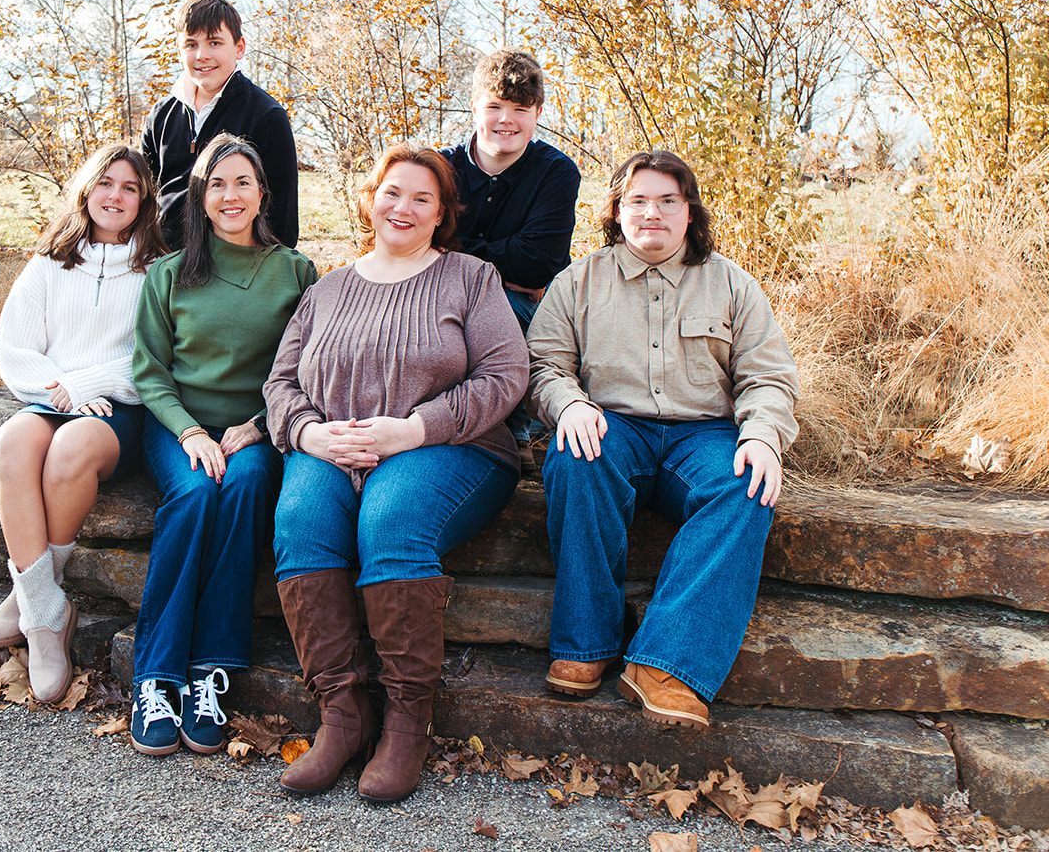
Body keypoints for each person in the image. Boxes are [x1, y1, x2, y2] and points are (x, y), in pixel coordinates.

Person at [265, 144, 529, 803]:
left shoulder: (471, 278)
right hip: (333, 447)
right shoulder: (328, 288)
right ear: (370, 198)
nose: (402, 207)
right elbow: (280, 382)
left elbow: (506, 377)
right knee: (300, 519)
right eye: (392, 192)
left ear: (442, 213)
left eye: (421, 197)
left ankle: (407, 720)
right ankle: (343, 714)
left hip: (451, 448)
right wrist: (309, 432)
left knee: (392, 517)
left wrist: (411, 430)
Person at [528, 149, 798, 730]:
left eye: (667, 201)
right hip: (612, 427)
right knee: (576, 459)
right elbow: (543, 365)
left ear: (690, 213)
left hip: (702, 436)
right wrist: (569, 404)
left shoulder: (732, 285)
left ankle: (665, 665)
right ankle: (586, 644)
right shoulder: (577, 282)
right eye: (638, 201)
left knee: (746, 485)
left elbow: (768, 377)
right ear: (617, 211)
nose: (652, 213)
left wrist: (762, 436)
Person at [129, 134, 318, 756]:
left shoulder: (295, 272)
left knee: (241, 486)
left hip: (256, 430)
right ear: (201, 197)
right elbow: (151, 373)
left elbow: (309, 369)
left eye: (243, 182)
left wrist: (260, 424)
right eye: (217, 184)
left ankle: (210, 672)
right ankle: (156, 676)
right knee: (191, 494)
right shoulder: (169, 273)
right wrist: (187, 431)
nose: (231, 195)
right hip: (178, 426)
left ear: (263, 193)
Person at [0, 143, 166, 705]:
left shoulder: (157, 270)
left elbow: (157, 359)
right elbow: (16, 350)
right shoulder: (48, 265)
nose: (116, 196)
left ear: (144, 201)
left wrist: (89, 386)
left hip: (122, 409)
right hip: (52, 398)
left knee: (72, 447)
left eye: (130, 188)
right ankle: (44, 608)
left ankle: (29, 600)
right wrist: (62, 392)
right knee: (14, 439)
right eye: (106, 183)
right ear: (87, 190)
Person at [439, 50, 580, 473]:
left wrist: (459, 250)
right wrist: (498, 263)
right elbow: (421, 246)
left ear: (537, 112)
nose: (506, 120)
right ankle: (442, 421)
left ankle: (511, 432)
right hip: (442, 292)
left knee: (507, 307)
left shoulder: (556, 172)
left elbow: (536, 264)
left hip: (526, 302)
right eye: (495, 107)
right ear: (474, 106)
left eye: (519, 109)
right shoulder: (441, 167)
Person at [141, 0, 299, 249]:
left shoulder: (266, 116)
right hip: (164, 266)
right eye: (191, 44)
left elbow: (282, 220)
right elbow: (145, 202)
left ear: (239, 48)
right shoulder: (161, 115)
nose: (202, 55)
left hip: (233, 272)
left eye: (214, 43)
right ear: (179, 49)